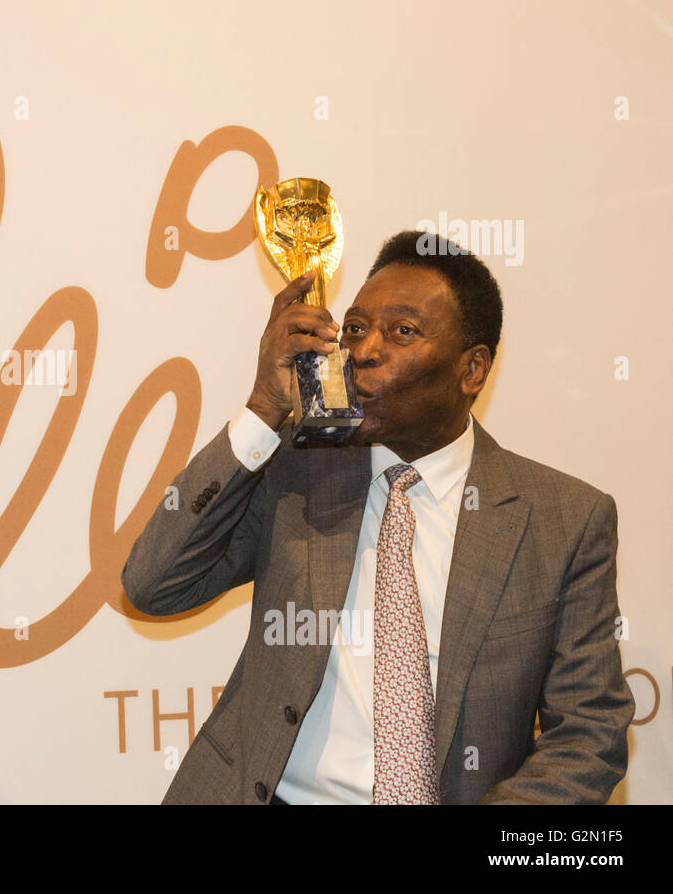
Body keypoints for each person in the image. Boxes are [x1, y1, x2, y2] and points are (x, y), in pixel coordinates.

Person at [120, 230, 634, 804]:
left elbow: (588, 733)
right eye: (357, 328)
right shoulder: (298, 469)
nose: (363, 352)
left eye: (403, 332)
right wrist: (265, 408)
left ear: (473, 370)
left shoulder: (563, 519)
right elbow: (153, 585)